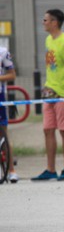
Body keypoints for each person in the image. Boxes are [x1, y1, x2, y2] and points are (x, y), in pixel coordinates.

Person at [32, 9, 64, 181]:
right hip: (49, 90)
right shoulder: (48, 40)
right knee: (47, 129)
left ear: (55, 22)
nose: (43, 22)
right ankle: (50, 169)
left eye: (46, 20)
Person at [0, 45, 18, 182]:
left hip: (0, 95)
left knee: (3, 133)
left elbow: (12, 74)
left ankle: (11, 170)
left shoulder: (3, 51)